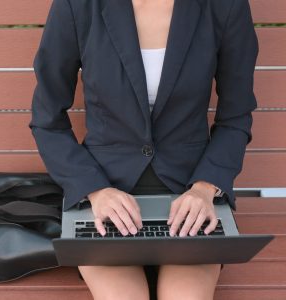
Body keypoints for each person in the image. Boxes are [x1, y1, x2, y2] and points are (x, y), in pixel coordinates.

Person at [29, 0, 258, 299]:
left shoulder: (225, 6)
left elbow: (236, 117)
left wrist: (205, 188)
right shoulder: (78, 5)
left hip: (190, 198)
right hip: (105, 200)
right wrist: (95, 190)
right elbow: (47, 121)